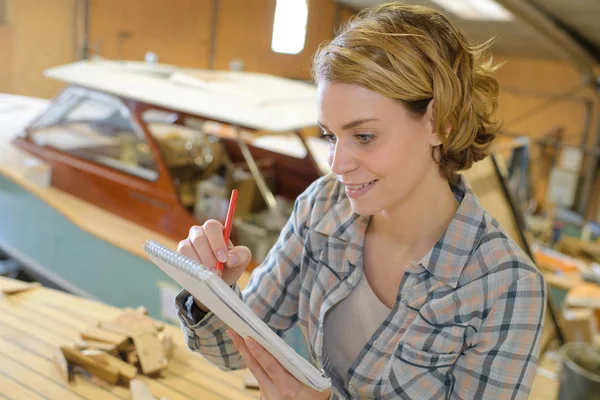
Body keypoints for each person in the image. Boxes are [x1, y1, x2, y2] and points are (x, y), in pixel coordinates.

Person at [175, 3, 546, 399]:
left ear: (440, 123)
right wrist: (210, 292)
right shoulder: (323, 207)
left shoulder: (506, 289)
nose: (337, 164)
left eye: (364, 136)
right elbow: (233, 351)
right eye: (331, 136)